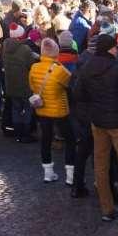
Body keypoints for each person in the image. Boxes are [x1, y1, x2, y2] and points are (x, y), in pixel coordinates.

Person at [75, 34, 118, 226]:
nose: (117, 50)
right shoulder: (117, 69)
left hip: (98, 122)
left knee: (100, 165)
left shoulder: (87, 67)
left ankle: (107, 209)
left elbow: (78, 93)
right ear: (109, 49)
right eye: (115, 47)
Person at [28, 39, 75, 184]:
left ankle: (48, 173)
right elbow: (71, 84)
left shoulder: (34, 67)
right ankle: (70, 176)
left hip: (42, 110)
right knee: (70, 140)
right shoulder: (59, 70)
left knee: (46, 140)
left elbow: (32, 86)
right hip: (60, 110)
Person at [1, 26, 39, 142]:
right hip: (24, 84)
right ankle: (26, 134)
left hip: (11, 83)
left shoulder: (5, 47)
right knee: (27, 109)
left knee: (15, 108)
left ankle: (17, 133)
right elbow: (31, 65)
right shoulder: (25, 49)